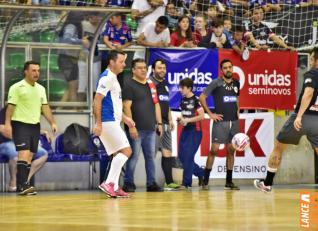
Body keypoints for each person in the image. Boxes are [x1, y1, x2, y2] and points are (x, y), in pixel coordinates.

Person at [254, 48, 318, 193]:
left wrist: (300, 115)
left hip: (304, 117)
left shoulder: (312, 73)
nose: (310, 60)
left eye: (312, 58)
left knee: (278, 147)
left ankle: (267, 183)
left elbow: (308, 93)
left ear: (315, 60)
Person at [4, 61, 57, 195]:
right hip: (20, 124)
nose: (36, 73)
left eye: (38, 70)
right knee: (24, 153)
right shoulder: (17, 87)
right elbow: (10, 107)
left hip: (34, 125)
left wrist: (52, 123)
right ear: (26, 72)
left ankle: (25, 185)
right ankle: (22, 186)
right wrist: (7, 124)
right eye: (33, 70)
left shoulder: (41, 89)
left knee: (30, 156)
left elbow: (45, 107)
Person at [94, 50, 134, 198]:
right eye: (121, 61)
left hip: (111, 121)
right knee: (127, 151)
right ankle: (109, 183)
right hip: (107, 122)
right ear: (112, 62)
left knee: (118, 153)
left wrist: (125, 119)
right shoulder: (107, 78)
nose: (124, 64)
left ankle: (115, 187)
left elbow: (114, 105)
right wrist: (98, 123)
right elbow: (97, 100)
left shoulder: (113, 78)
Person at [122, 58, 163, 193]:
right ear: (133, 70)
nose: (143, 70)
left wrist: (159, 123)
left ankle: (151, 183)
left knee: (150, 157)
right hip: (136, 130)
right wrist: (132, 127)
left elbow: (156, 104)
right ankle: (128, 183)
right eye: (140, 68)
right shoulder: (129, 85)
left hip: (150, 129)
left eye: (145, 67)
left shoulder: (151, 85)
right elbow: (126, 107)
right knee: (133, 157)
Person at [199, 59, 240, 190]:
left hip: (234, 122)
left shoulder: (236, 83)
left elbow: (236, 97)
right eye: (225, 68)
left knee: (231, 151)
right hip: (220, 123)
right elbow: (201, 98)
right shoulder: (216, 83)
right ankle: (205, 181)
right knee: (214, 150)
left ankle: (229, 182)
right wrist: (210, 114)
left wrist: (238, 110)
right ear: (221, 70)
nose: (228, 69)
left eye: (230, 67)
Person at [0, 106, 50, 192]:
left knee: (43, 154)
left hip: (22, 142)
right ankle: (13, 181)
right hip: (6, 143)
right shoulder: (4, 112)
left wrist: (42, 132)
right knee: (16, 155)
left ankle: (25, 180)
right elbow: (2, 130)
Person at [149, 59, 180, 191]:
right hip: (154, 124)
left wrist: (171, 119)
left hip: (166, 124)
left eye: (164, 68)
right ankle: (150, 184)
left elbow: (165, 104)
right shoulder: (149, 83)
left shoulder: (165, 84)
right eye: (159, 68)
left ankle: (169, 182)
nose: (162, 70)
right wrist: (157, 122)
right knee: (151, 154)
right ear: (153, 69)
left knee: (167, 152)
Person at [177, 78, 205, 189]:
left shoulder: (196, 100)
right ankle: (201, 173)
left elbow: (201, 116)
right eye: (180, 87)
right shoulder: (182, 100)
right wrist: (181, 120)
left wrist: (187, 120)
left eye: (182, 88)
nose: (180, 90)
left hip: (195, 131)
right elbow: (184, 116)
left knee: (188, 157)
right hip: (186, 130)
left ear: (189, 88)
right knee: (182, 156)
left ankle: (186, 183)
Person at [59, 12, 90, 103]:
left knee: (70, 88)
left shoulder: (72, 26)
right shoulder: (71, 26)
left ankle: (59, 109)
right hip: (67, 59)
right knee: (73, 89)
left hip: (69, 59)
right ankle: (76, 109)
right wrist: (82, 41)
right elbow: (66, 39)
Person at [78, 13, 103, 101]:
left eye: (97, 15)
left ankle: (93, 106)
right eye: (93, 15)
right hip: (83, 58)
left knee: (95, 85)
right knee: (82, 84)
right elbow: (75, 38)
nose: (95, 18)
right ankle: (79, 106)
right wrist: (82, 40)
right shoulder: (82, 24)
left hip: (96, 59)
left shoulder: (102, 26)